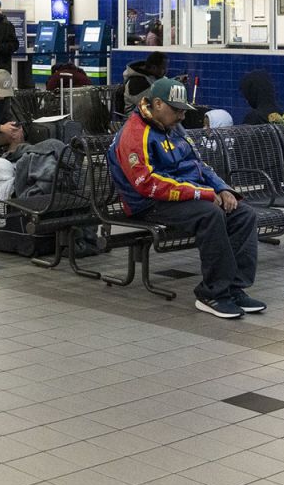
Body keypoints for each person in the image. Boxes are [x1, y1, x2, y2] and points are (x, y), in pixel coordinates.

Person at [109, 78, 263, 319]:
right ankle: (212, 294)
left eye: (183, 111)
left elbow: (198, 165)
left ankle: (234, 288)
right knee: (210, 215)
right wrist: (201, 193)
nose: (182, 117)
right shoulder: (134, 133)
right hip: (147, 203)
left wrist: (223, 189)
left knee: (243, 213)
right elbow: (147, 184)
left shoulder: (173, 127)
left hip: (181, 195)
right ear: (157, 103)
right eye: (176, 110)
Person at [122, 51, 187, 111]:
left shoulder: (152, 75)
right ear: (154, 68)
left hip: (148, 116)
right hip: (136, 120)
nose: (166, 71)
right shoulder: (137, 82)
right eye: (163, 68)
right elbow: (150, 103)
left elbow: (163, 84)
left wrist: (178, 80)